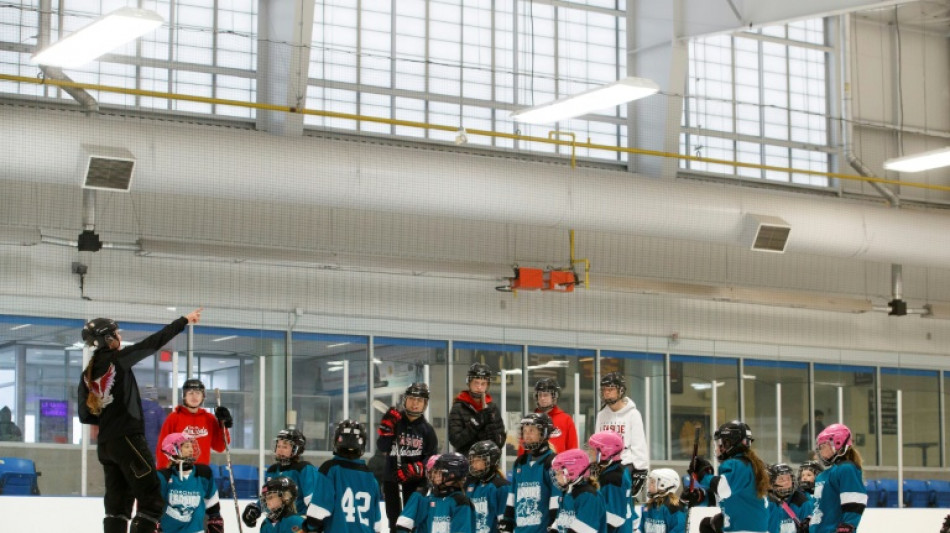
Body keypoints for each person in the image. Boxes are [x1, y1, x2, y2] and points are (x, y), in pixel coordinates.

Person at [78, 308, 202, 533]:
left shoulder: (87, 374)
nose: (120, 337)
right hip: (128, 440)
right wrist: (183, 320)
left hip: (106, 446)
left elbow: (86, 415)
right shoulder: (117, 361)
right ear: (108, 339)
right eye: (116, 333)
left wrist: (109, 410)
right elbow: (153, 343)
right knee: (151, 499)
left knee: (117, 507)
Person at [378, 382, 440, 530]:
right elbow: (382, 447)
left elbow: (431, 460)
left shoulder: (428, 431)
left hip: (415, 483)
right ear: (405, 400)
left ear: (425, 404)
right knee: (394, 521)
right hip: (392, 480)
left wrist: (417, 469)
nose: (415, 404)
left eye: (419, 400)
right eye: (412, 399)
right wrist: (386, 429)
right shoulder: (395, 422)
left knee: (412, 521)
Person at [306, 419, 386, 533]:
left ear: (337, 441)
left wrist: (308, 527)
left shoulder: (330, 469)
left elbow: (318, 512)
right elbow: (377, 524)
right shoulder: (370, 477)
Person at [698, 420, 769, 533]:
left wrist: (704, 476)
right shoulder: (748, 464)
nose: (716, 449)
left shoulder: (738, 464)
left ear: (728, 443)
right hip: (748, 528)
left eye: (719, 444)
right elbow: (731, 498)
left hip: (744, 530)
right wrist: (700, 497)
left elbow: (723, 490)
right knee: (708, 524)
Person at [242, 428, 321, 527]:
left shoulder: (304, 469)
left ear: (296, 449)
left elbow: (313, 500)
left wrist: (312, 524)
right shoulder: (273, 470)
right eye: (278, 446)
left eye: (285, 446)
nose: (280, 449)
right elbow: (268, 497)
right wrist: (256, 509)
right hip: (278, 523)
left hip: (298, 523)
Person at [500, 413, 560, 533]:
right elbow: (512, 495)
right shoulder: (520, 462)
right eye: (525, 430)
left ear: (544, 433)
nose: (527, 434)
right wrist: (507, 520)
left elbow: (556, 497)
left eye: (532, 430)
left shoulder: (553, 462)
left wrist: (554, 523)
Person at [156, 378, 232, 469]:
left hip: (201, 472)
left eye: (198, 393)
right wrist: (163, 474)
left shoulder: (209, 419)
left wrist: (223, 425)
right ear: (184, 396)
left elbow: (220, 447)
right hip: (179, 472)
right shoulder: (174, 418)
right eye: (190, 393)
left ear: (203, 396)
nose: (194, 397)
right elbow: (163, 448)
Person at [595, 372, 649, 496]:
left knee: (621, 504)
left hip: (625, 465)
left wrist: (641, 470)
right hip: (605, 466)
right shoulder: (601, 415)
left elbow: (638, 443)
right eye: (604, 389)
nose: (606, 392)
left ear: (621, 390)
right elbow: (597, 442)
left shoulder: (633, 414)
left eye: (611, 389)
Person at [157, 433, 223, 533]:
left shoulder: (203, 474)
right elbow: (153, 509)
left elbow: (213, 507)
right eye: (187, 446)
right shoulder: (163, 477)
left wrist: (215, 523)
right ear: (173, 450)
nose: (191, 450)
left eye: (191, 446)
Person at [807, 424, 867, 533]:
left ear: (837, 444)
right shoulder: (823, 475)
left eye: (822, 447)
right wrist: (810, 521)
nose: (820, 451)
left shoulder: (846, 469)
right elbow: (820, 506)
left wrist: (848, 525)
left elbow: (854, 502)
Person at [449, 363, 506, 455]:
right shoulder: (458, 407)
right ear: (469, 383)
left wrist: (489, 424)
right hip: (466, 461)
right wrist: (476, 422)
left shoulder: (492, 408)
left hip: (488, 462)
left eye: (483, 384)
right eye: (476, 383)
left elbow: (499, 442)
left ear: (487, 385)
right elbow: (456, 441)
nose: (479, 387)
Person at [588, 431, 635, 533]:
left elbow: (614, 518)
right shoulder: (617, 470)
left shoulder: (613, 477)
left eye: (593, 449)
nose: (590, 452)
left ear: (605, 452)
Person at [551, 448, 606, 533]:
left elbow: (584, 529)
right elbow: (560, 523)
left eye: (559, 473)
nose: (556, 477)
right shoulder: (568, 492)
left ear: (572, 472)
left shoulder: (588, 497)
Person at [517, 378, 577, 455]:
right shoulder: (529, 420)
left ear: (554, 396)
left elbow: (573, 449)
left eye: (546, 395)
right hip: (533, 465)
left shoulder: (566, 420)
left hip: (557, 465)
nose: (542, 398)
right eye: (540, 395)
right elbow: (523, 447)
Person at [466, 441, 510, 533]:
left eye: (478, 460)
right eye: (472, 460)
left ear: (491, 461)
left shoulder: (501, 487)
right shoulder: (472, 486)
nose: (473, 465)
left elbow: (504, 520)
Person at [426, 453, 476, 533]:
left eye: (440, 472)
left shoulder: (460, 501)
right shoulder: (433, 498)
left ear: (452, 475)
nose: (434, 476)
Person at [396, 454, 441, 533]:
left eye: (439, 473)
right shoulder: (419, 496)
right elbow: (403, 526)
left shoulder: (455, 497)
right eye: (432, 472)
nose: (436, 476)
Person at [765, 463, 814, 533]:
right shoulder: (765, 502)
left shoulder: (801, 502)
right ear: (771, 482)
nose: (787, 483)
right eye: (781, 479)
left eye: (789, 478)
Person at [639, 468, 686, 533]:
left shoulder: (674, 508)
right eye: (649, 481)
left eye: (652, 482)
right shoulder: (646, 506)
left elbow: (679, 529)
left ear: (664, 484)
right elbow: (640, 528)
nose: (648, 485)